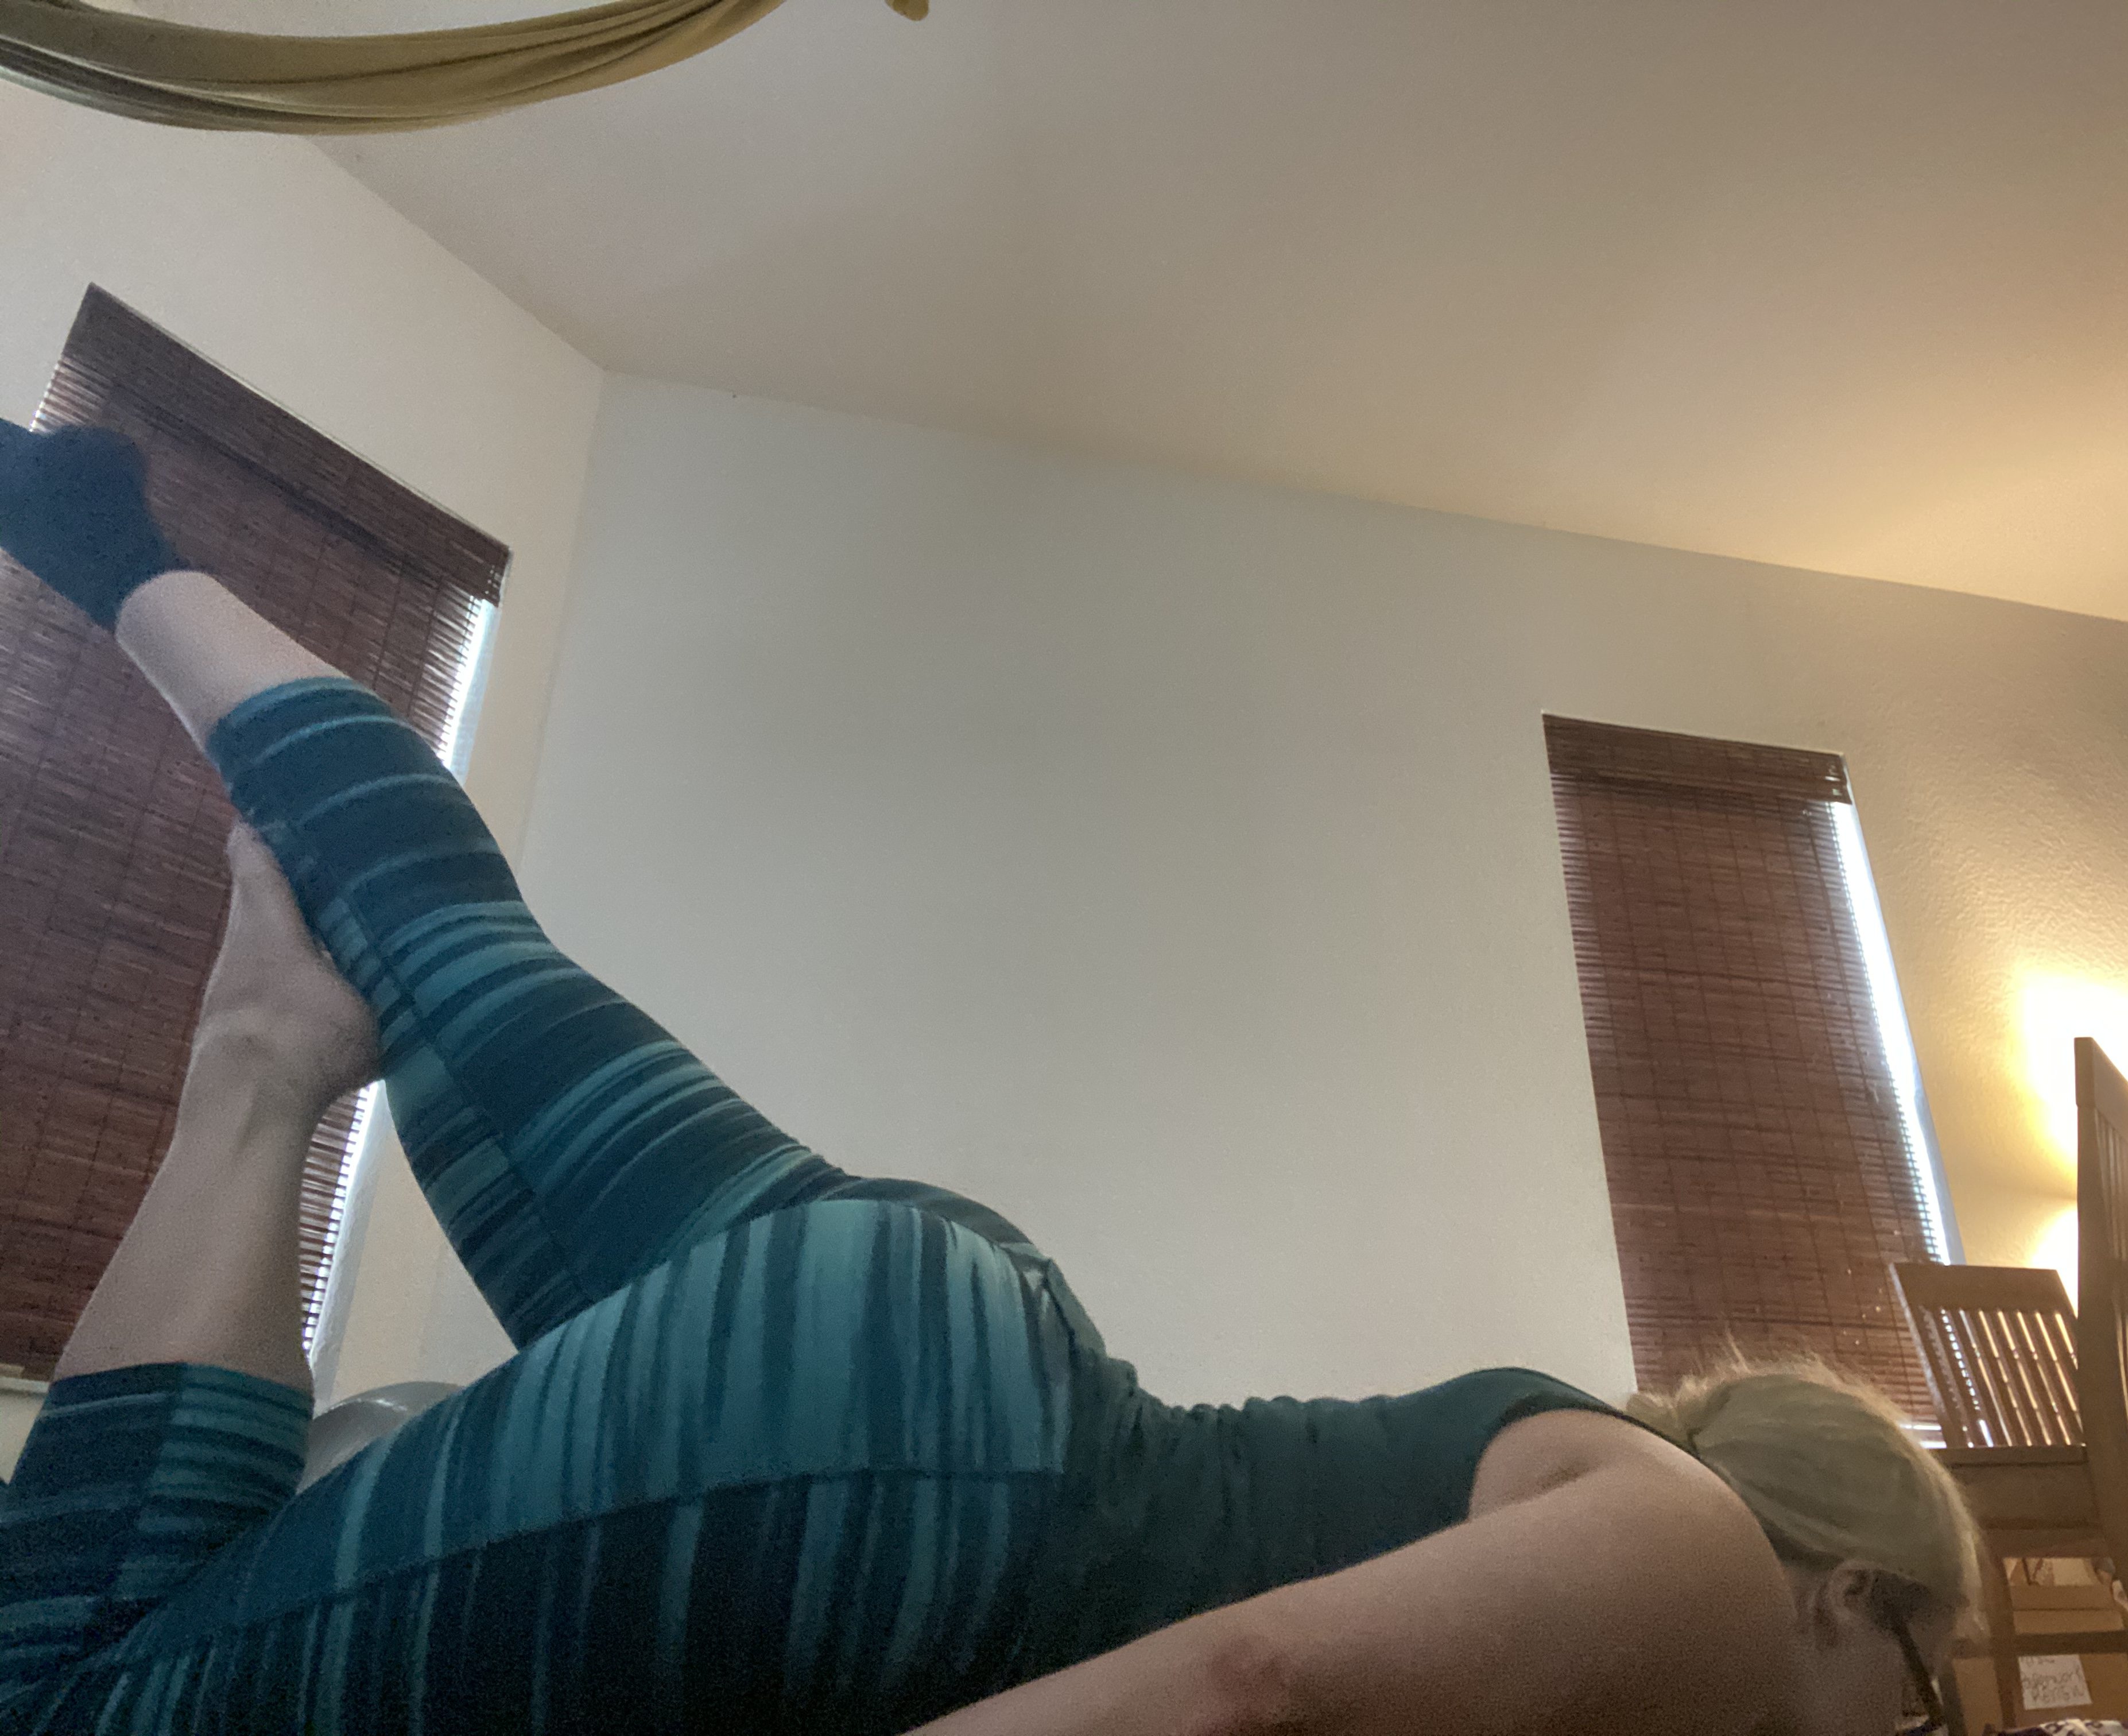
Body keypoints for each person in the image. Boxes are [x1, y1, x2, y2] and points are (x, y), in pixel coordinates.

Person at [0, 420, 1975, 1736]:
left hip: (931, 1347)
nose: (1913, 1728)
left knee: (442, 942)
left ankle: (109, 561)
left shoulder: (1574, 1510)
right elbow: (1252, 1688)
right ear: (1850, 1592)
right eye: (1930, 1687)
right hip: (935, 1475)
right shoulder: (1702, 1574)